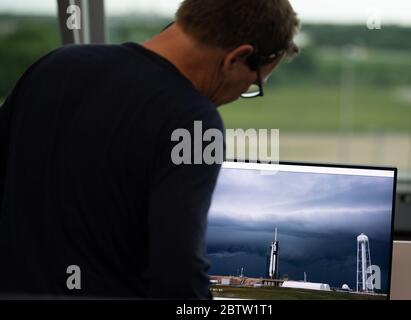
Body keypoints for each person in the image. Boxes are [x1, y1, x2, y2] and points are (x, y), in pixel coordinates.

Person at [0, 0, 299, 299]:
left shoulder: (55, 64)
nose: (240, 94)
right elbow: (176, 273)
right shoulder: (192, 120)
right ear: (237, 57)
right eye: (253, 83)